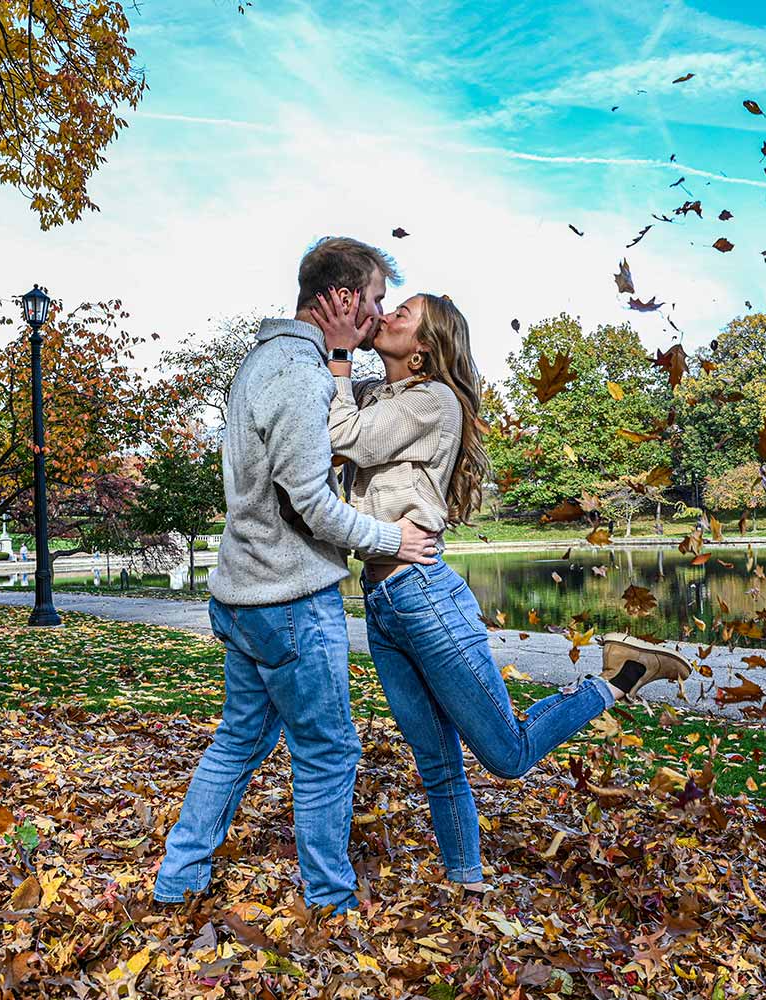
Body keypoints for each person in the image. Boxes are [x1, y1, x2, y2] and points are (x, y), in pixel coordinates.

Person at [311, 288, 691, 888]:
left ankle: (618, 678)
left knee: (507, 755)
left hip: (422, 595)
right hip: (381, 600)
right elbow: (325, 429)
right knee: (436, 762)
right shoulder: (370, 394)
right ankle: (468, 883)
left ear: (426, 348)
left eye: (400, 314)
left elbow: (342, 438)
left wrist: (337, 349)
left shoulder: (433, 400)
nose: (385, 316)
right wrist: (336, 344)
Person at [153, 238, 440, 914]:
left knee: (240, 740)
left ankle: (179, 879)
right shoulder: (297, 374)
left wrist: (341, 359)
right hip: (288, 601)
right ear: (341, 299)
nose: (377, 314)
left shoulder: (271, 360)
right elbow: (310, 503)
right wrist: (388, 537)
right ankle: (330, 902)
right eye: (371, 300)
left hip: (246, 593)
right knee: (330, 752)